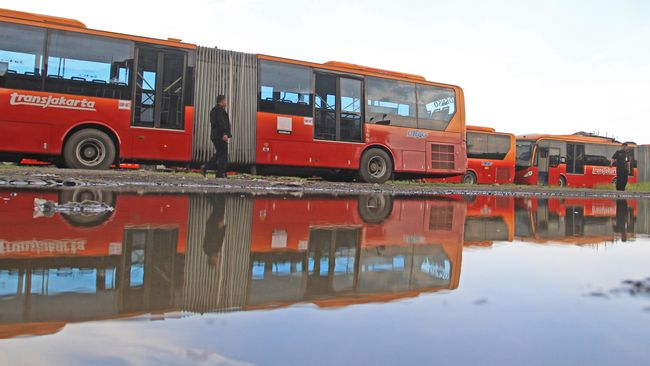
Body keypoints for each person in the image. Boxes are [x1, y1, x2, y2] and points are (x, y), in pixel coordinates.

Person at [201, 95, 232, 178]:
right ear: (222, 101)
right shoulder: (220, 110)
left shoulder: (213, 110)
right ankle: (220, 174)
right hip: (220, 135)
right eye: (225, 101)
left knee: (219, 153)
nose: (226, 102)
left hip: (215, 135)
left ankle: (206, 167)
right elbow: (221, 123)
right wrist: (224, 133)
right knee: (223, 155)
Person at [202, 195, 227, 266]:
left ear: (212, 259)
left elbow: (215, 237)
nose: (218, 258)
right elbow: (221, 238)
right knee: (218, 207)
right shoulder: (215, 249)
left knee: (220, 207)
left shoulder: (209, 248)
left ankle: (208, 193)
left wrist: (220, 227)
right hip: (215, 224)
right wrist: (223, 228)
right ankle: (208, 194)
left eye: (216, 260)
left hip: (214, 224)